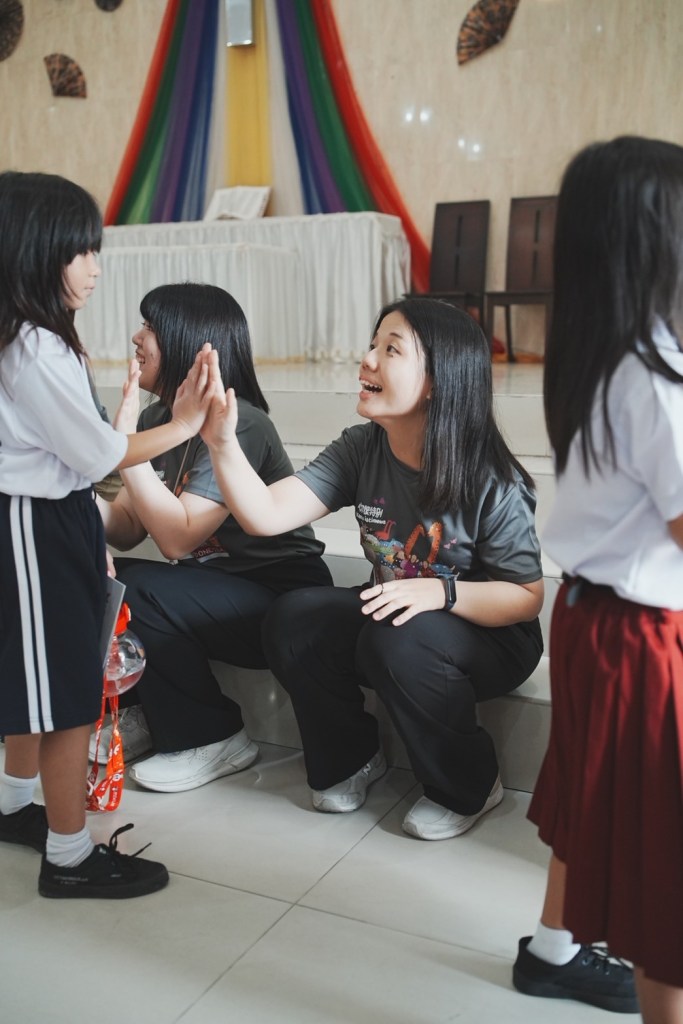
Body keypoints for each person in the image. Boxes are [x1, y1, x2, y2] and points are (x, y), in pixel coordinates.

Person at [200, 297, 545, 838]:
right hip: (398, 614)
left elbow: (526, 596)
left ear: (437, 382)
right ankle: (351, 759)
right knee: (296, 617)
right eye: (372, 344)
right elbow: (266, 514)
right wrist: (221, 444)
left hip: (490, 634)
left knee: (399, 638)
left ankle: (469, 784)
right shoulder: (363, 447)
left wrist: (442, 594)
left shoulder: (491, 478)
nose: (367, 360)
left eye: (391, 350)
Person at [0, 171, 214, 898]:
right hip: (32, 522)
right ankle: (68, 858)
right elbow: (96, 456)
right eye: (81, 251)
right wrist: (181, 424)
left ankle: (13, 806)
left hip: (50, 517)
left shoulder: (34, 338)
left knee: (43, 679)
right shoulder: (34, 346)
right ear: (35, 251)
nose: (95, 267)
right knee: (63, 691)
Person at [512, 136, 683, 1020]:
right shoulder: (654, 380)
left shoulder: (600, 355)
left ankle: (551, 949)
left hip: (591, 617)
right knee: (664, 860)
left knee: (595, 794)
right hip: (640, 635)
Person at [95, 283, 332, 793]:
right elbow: (129, 526)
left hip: (276, 595)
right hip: (209, 588)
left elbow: (177, 540)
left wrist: (126, 446)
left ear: (185, 340)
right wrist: (66, 496)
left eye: (150, 328)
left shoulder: (239, 423)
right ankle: (143, 712)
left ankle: (213, 736)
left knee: (142, 590)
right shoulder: (160, 420)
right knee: (101, 578)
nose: (137, 338)